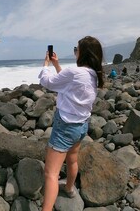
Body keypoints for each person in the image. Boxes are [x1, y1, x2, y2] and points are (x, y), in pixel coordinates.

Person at [38, 36, 104, 211]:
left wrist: (46, 64)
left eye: (76, 49)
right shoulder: (93, 75)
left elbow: (48, 82)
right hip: (81, 126)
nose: (75, 51)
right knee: (72, 160)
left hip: (65, 126)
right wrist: (57, 65)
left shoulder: (75, 73)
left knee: (51, 173)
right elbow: (68, 84)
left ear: (83, 53)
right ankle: (69, 188)